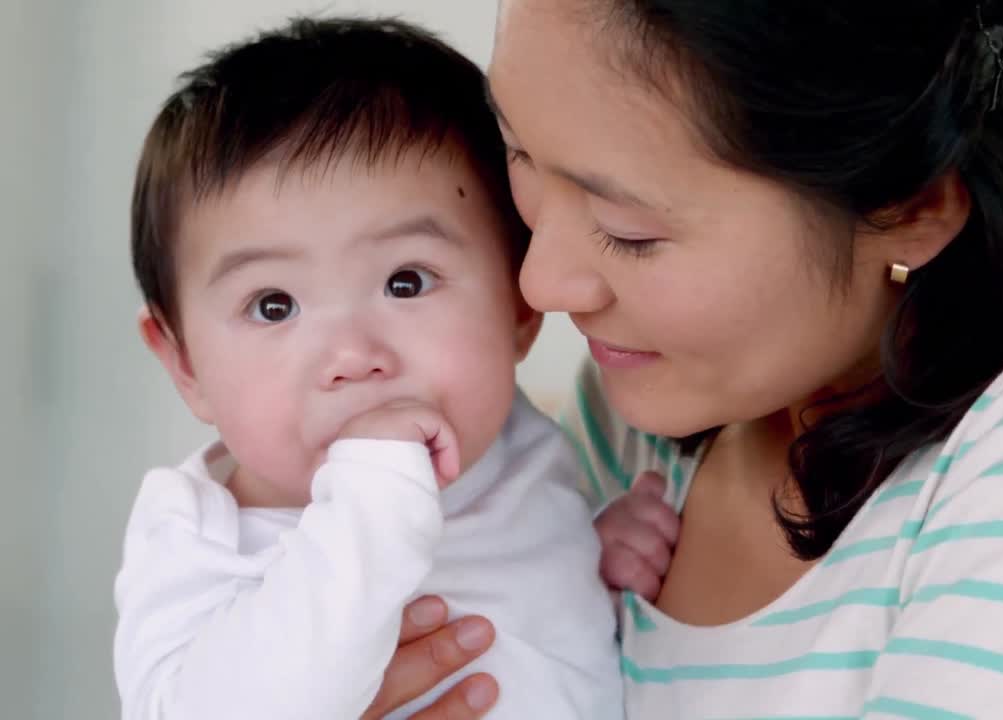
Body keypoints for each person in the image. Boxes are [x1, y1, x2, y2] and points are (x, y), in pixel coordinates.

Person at [380, 0, 1003, 717]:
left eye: (631, 233)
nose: (541, 285)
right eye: (522, 156)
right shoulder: (645, 418)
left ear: (912, 205)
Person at [111, 17, 622, 720]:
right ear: (185, 363)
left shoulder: (530, 450)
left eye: (406, 282)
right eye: (273, 305)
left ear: (520, 306)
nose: (352, 357)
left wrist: (599, 551)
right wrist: (372, 501)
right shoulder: (196, 540)